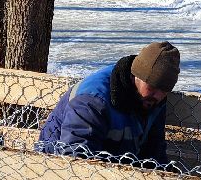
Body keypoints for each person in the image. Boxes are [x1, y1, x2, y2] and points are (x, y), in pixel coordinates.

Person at [36, 42, 180, 166]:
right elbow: (76, 158)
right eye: (153, 87)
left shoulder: (152, 100)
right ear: (136, 76)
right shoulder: (93, 100)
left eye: (165, 90)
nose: (158, 95)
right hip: (55, 171)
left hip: (116, 172)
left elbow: (154, 150)